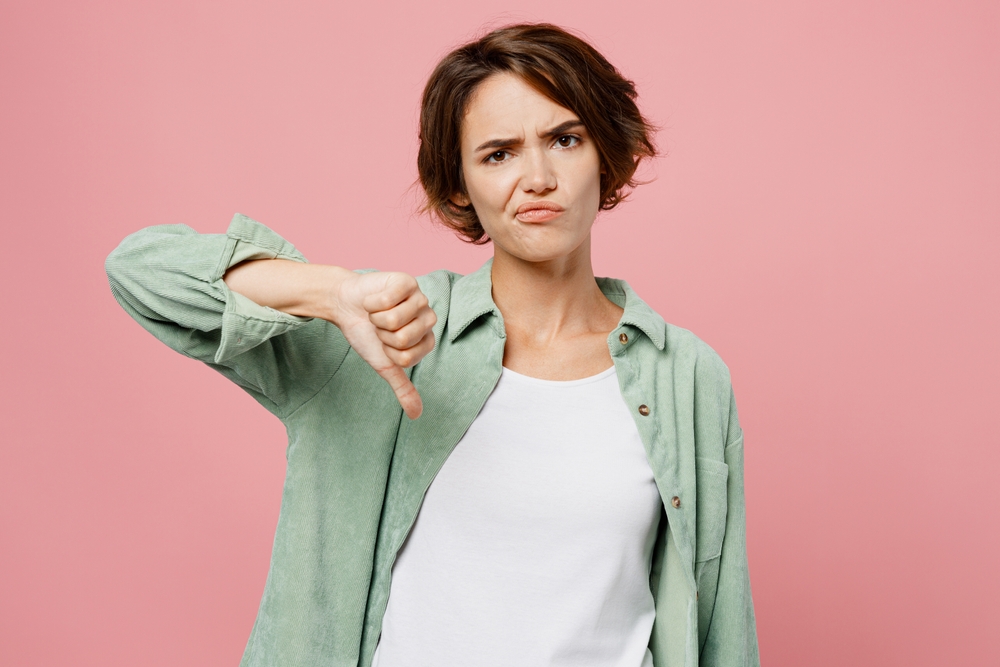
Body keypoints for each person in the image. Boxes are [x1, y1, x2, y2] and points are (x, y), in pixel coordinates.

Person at [106, 22, 759, 667]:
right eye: (498, 153)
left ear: (607, 154)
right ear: (458, 185)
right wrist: (330, 293)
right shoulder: (383, 331)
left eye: (564, 139)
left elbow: (721, 626)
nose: (537, 177)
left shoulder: (688, 376)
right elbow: (139, 271)